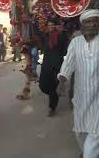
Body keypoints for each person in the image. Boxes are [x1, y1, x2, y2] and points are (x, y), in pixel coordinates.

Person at [57, 10, 99, 158]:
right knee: (80, 131)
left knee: (95, 135)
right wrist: (62, 80)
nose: (92, 24)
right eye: (88, 21)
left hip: (98, 99)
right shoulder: (76, 42)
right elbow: (69, 62)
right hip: (81, 96)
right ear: (82, 25)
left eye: (95, 21)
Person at [39, 18, 69, 117]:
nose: (51, 27)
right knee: (43, 86)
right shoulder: (45, 36)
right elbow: (43, 47)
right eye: (49, 25)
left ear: (56, 26)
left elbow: (66, 51)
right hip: (46, 64)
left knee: (52, 87)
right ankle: (54, 94)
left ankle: (52, 107)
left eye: (53, 25)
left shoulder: (62, 36)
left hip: (57, 65)